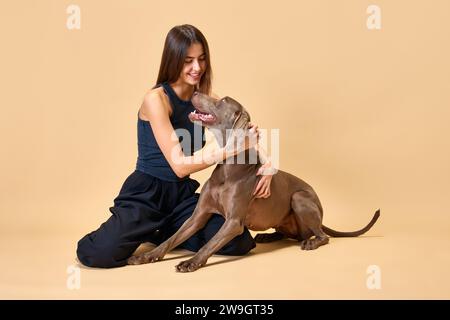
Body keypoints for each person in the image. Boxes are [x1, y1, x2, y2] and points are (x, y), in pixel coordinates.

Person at [76, 24, 273, 268]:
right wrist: (230, 149)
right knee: (99, 254)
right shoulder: (156, 100)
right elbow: (179, 166)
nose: (197, 68)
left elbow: (247, 131)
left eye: (202, 59)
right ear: (173, 60)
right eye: (188, 61)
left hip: (180, 196)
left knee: (239, 242)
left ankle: (165, 231)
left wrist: (268, 166)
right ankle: (146, 228)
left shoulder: (202, 97)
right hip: (148, 193)